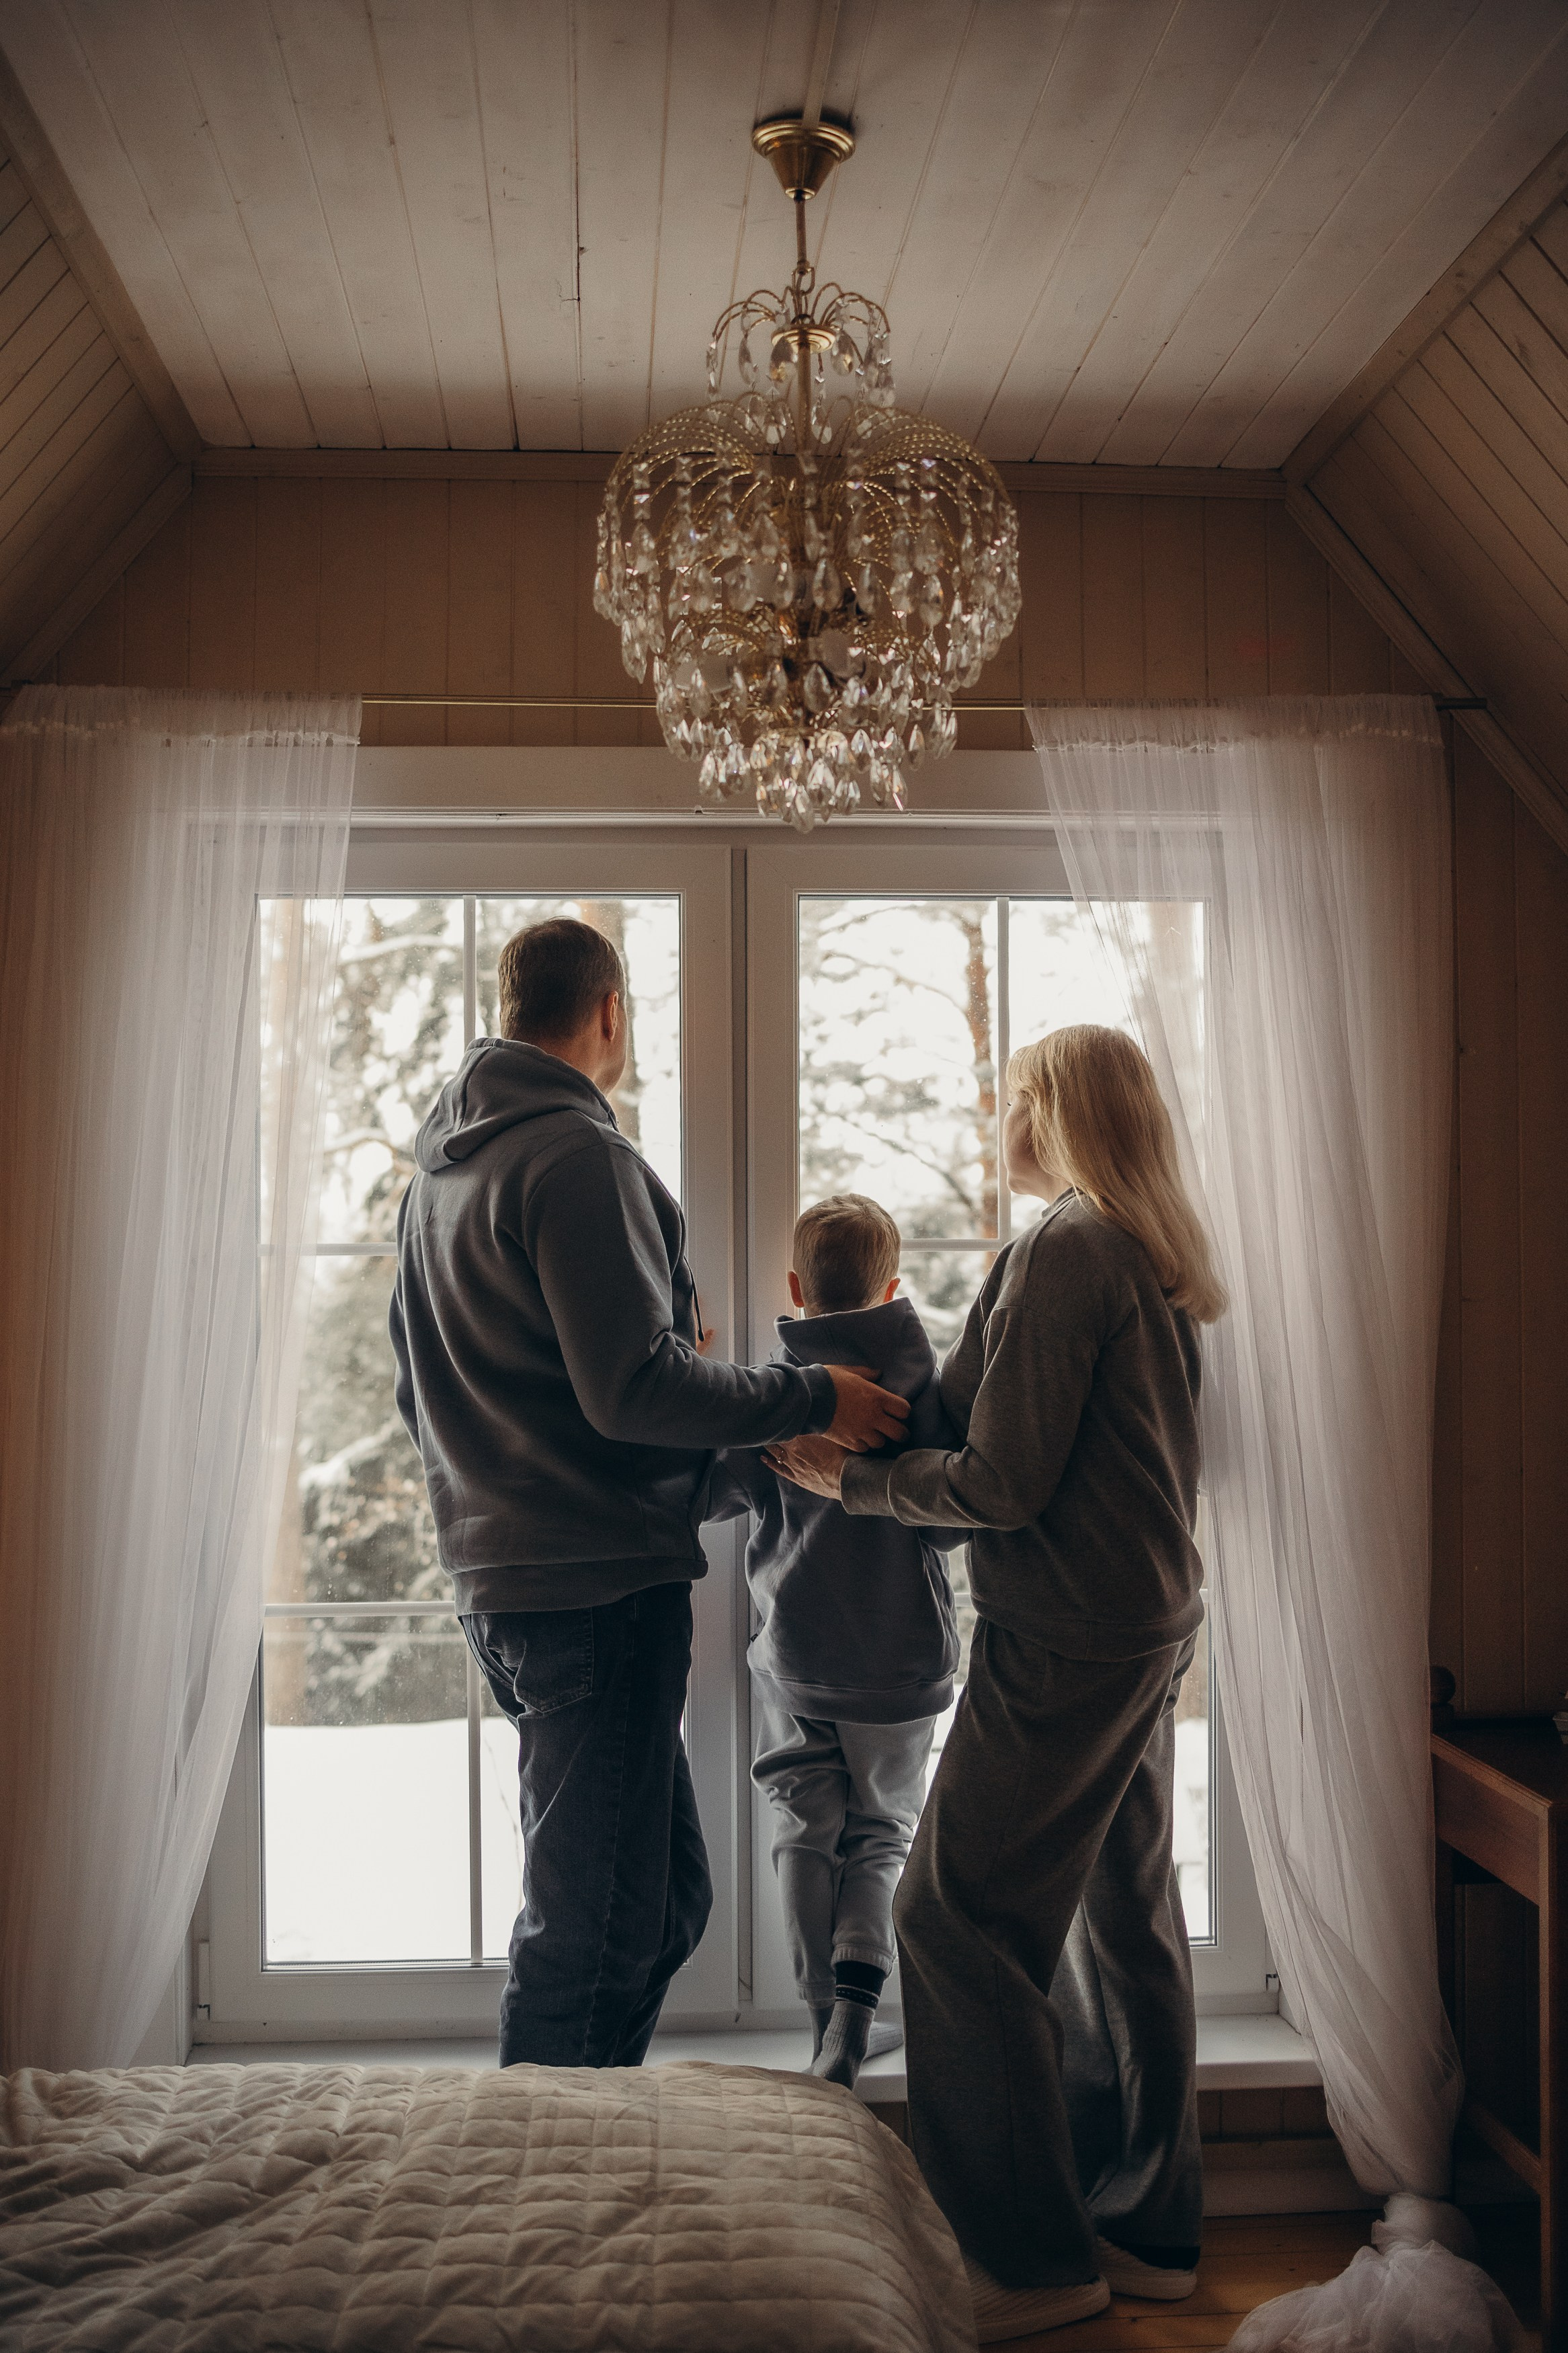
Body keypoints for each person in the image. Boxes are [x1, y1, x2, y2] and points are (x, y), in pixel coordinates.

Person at [766, 1024, 1227, 2342]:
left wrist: (841, 1478)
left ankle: (1029, 2260)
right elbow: (993, 1419)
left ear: (1056, 1112)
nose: (995, 1115)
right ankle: (1148, 2224)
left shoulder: (1071, 1246)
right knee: (1119, 1911)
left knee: (950, 1918)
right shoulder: (1134, 1246)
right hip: (1143, 1620)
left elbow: (1000, 1484)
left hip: (1071, 1633)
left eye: (1013, 1095)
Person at [389, 918, 909, 2071]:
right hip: (593, 1593)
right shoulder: (578, 1159)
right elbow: (629, 1392)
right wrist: (806, 1393)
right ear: (611, 1012)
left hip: (508, 1581)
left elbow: (418, 1392)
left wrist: (674, 1379)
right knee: (590, 1924)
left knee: (661, 1901)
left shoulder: (440, 1177)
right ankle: (541, 2195)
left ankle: (583, 2146)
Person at [708, 1194, 962, 2089]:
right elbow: (946, 1526)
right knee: (881, 1837)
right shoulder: (921, 1386)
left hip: (798, 1656)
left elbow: (718, 1493)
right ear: (890, 1285)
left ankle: (821, 2019)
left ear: (794, 1287)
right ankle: (856, 2024)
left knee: (803, 1830)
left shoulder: (779, 1387)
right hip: (898, 1666)